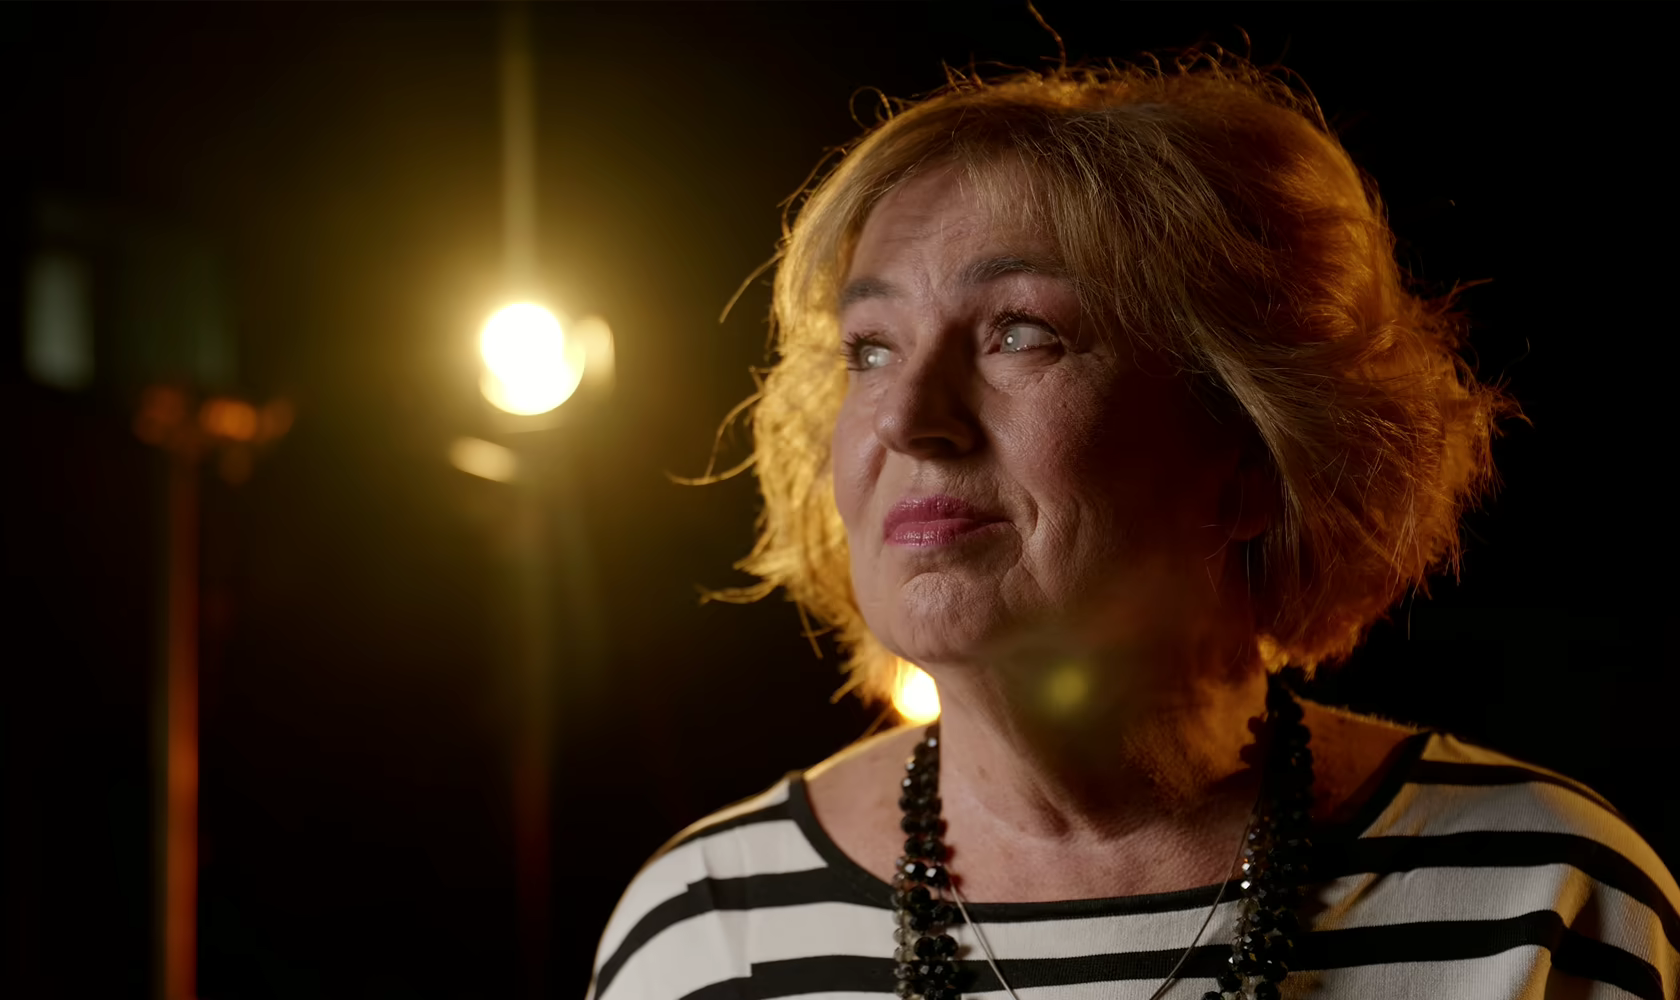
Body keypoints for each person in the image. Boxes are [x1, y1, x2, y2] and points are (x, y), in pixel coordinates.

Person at [587, 59, 1679, 1000]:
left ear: (1255, 448)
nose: (909, 419)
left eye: (1021, 332)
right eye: (871, 347)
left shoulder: (1547, 893)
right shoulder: (705, 929)